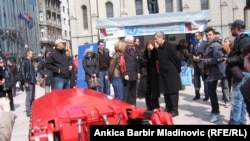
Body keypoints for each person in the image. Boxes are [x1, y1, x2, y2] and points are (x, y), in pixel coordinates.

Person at [226, 20, 250, 125]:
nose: (231, 30)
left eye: (232, 28)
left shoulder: (244, 39)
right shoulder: (240, 39)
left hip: (242, 72)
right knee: (241, 99)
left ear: (238, 28)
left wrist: (229, 60)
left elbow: (244, 57)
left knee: (237, 99)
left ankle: (235, 122)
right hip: (241, 71)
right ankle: (241, 121)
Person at [154, 31, 182, 117]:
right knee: (166, 92)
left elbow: (176, 60)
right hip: (163, 74)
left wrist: (177, 70)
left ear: (161, 37)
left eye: (156, 38)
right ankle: (168, 108)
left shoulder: (169, 46)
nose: (155, 40)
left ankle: (174, 110)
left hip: (171, 73)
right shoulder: (159, 48)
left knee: (173, 92)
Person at [201, 27, 226, 123]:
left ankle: (215, 113)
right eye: (206, 35)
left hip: (215, 72)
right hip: (211, 71)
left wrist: (205, 61)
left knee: (212, 92)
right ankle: (214, 111)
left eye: (210, 35)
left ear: (214, 35)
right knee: (211, 93)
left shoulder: (215, 45)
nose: (208, 37)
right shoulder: (209, 44)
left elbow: (218, 59)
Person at [137, 40, 160, 111]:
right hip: (145, 73)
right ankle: (149, 106)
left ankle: (155, 106)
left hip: (154, 74)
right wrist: (138, 72)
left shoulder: (156, 52)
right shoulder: (143, 53)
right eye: (148, 45)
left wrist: (153, 50)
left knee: (154, 91)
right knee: (147, 91)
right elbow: (139, 63)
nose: (149, 46)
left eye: (151, 45)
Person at [123, 35, 141, 106]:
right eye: (129, 43)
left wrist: (138, 72)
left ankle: (133, 106)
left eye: (131, 43)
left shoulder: (134, 50)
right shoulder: (123, 51)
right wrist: (125, 74)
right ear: (126, 43)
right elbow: (122, 64)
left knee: (133, 92)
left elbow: (137, 62)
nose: (130, 44)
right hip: (127, 75)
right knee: (126, 93)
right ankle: (126, 107)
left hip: (134, 74)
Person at [191, 31, 209, 101]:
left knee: (205, 80)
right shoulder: (194, 44)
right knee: (196, 80)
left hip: (202, 64)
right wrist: (193, 57)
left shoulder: (205, 43)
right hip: (196, 65)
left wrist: (201, 57)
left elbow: (207, 52)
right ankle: (197, 94)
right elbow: (192, 53)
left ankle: (207, 95)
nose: (195, 37)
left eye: (196, 36)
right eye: (194, 36)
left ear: (200, 36)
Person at [20, 49, 36, 117]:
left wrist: (35, 79)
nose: (33, 54)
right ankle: (28, 111)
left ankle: (32, 110)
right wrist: (25, 81)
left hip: (32, 81)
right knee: (29, 97)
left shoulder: (31, 61)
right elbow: (22, 72)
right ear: (28, 54)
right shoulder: (24, 62)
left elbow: (32, 72)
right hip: (28, 81)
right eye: (32, 53)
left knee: (32, 97)